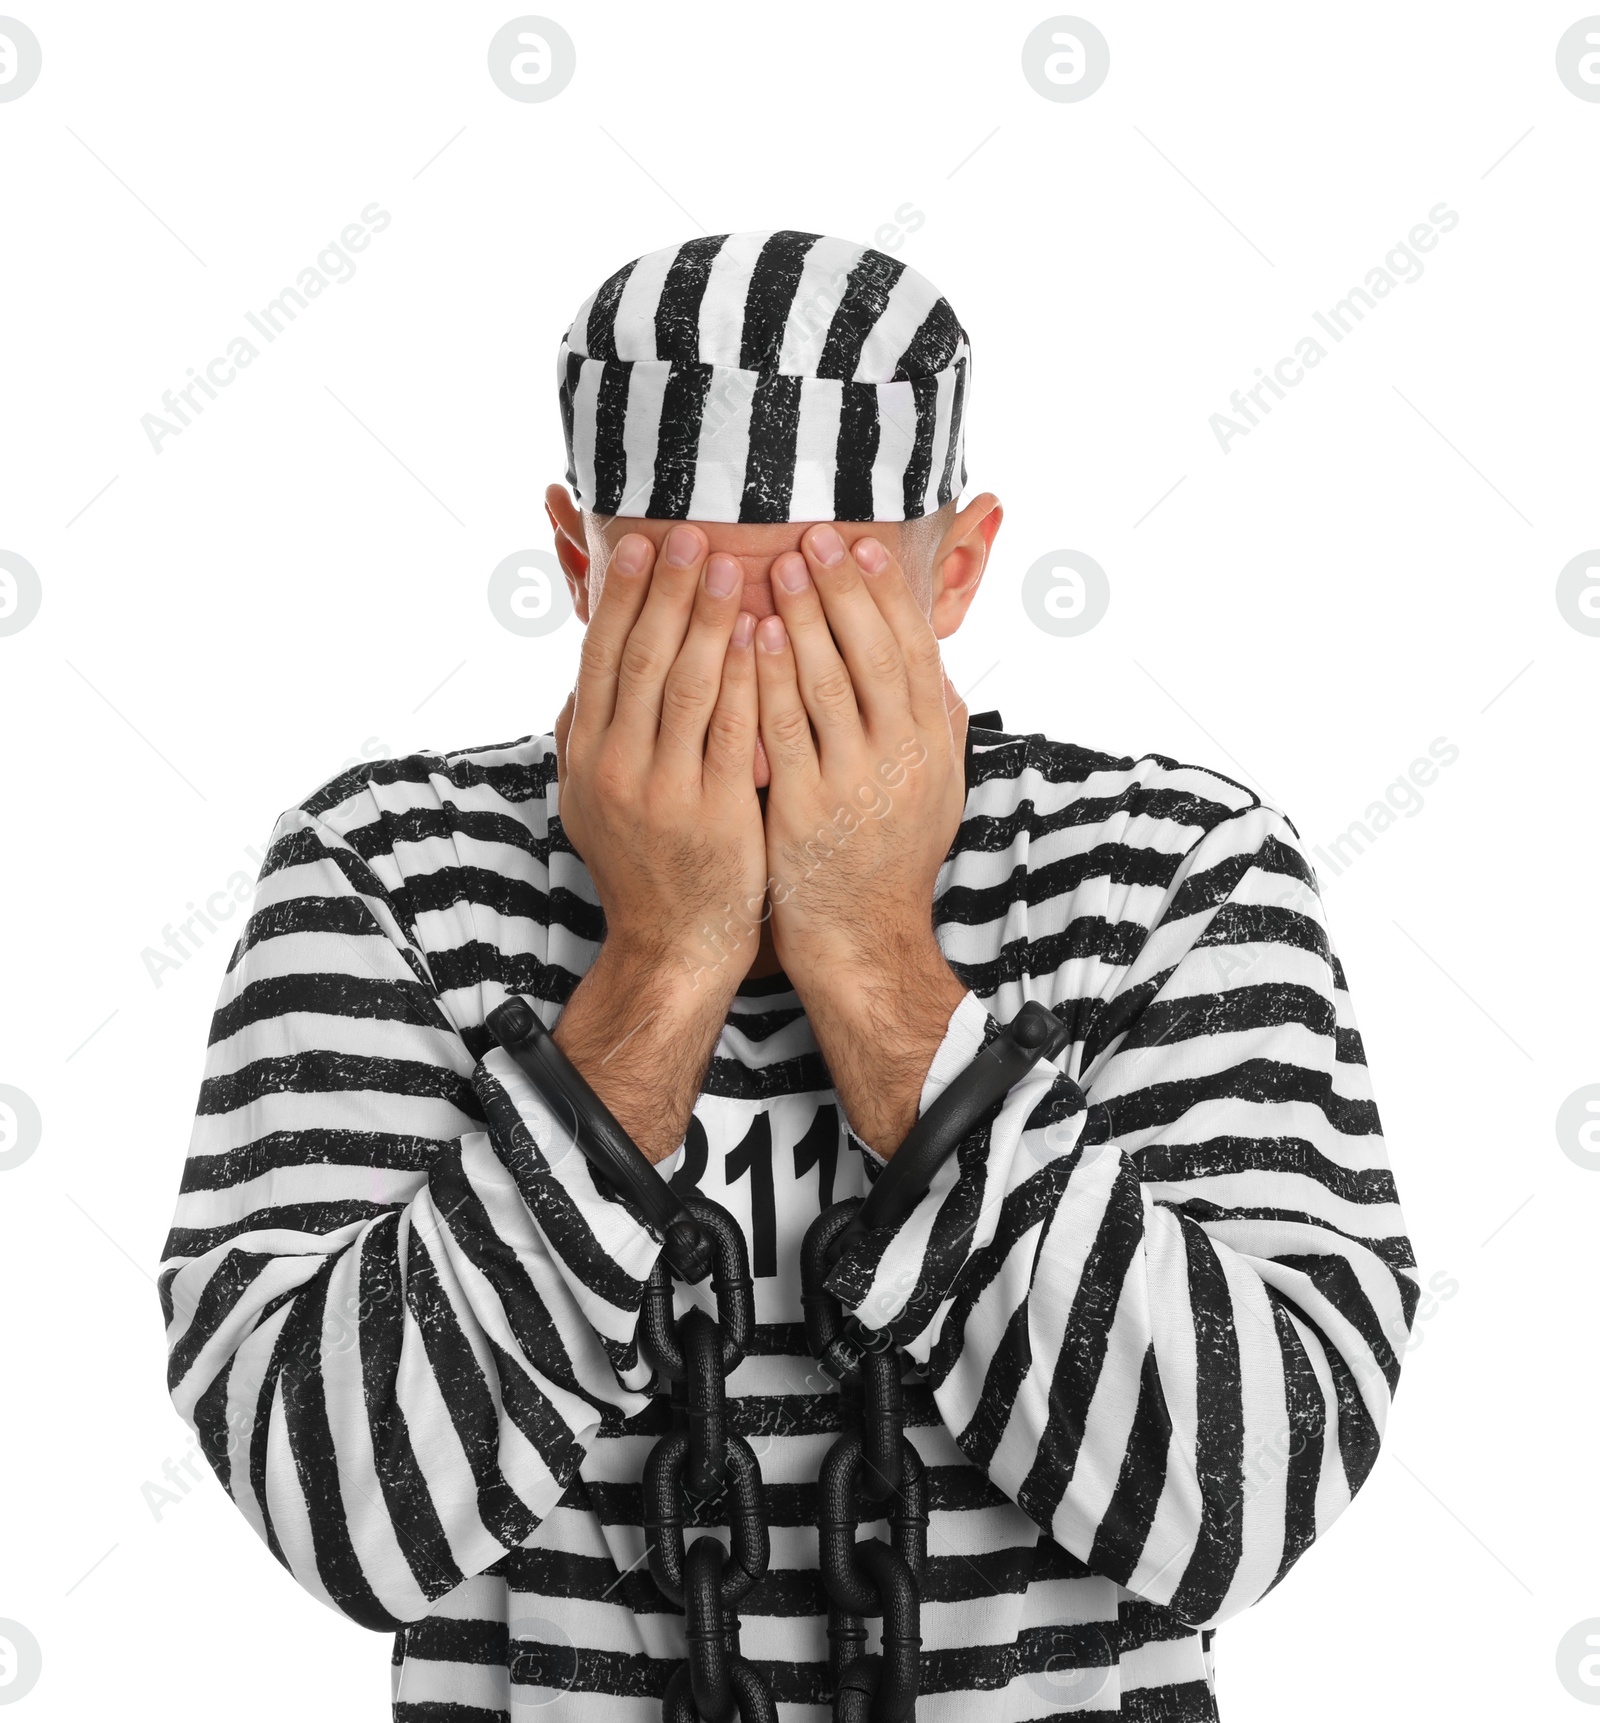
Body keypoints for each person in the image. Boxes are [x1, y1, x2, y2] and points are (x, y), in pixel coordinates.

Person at [158, 230, 1417, 1721]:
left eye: (824, 604)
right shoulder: (383, 875)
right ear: (577, 562)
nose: (754, 670)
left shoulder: (1172, 875)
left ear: (955, 571)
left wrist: (874, 952)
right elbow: (344, 1509)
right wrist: (667, 955)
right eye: (684, 598)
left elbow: (1241, 1502)